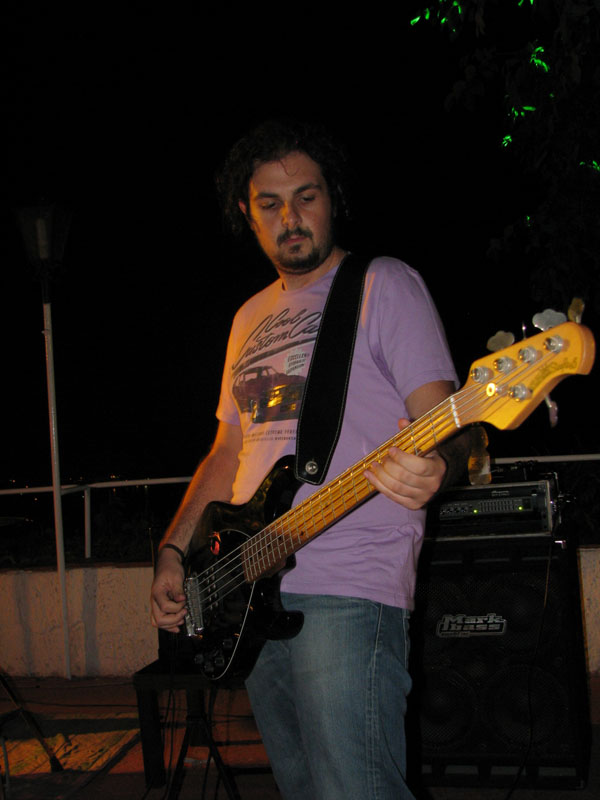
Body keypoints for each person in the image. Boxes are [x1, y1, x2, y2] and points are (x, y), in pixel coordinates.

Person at [151, 119, 471, 800]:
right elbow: (228, 451)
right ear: (247, 215)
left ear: (333, 199)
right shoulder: (247, 317)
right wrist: (175, 550)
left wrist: (441, 464)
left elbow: (450, 420)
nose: (290, 218)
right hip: (247, 588)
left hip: (349, 581)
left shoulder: (384, 285)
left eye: (306, 196)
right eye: (269, 203)